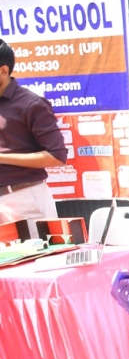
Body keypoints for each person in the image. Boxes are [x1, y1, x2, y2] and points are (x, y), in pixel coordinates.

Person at [0, 39, 67, 224]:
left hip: (25, 200)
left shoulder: (31, 104)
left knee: (38, 246)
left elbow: (56, 156)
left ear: (3, 71)